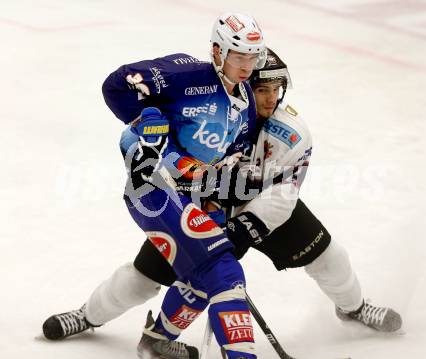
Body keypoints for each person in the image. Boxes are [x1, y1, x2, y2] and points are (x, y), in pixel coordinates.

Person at [135, 48, 402, 357]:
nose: (271, 98)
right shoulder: (210, 112)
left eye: (276, 89)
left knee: (331, 257)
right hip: (210, 200)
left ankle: (354, 308)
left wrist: (246, 226)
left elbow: (285, 191)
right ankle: (101, 320)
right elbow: (175, 161)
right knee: (151, 276)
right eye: (263, 90)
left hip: (266, 205)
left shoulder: (291, 132)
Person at [42, 12, 268, 359]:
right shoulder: (184, 75)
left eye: (253, 57)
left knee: (183, 276)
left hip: (191, 192)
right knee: (222, 268)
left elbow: (232, 153)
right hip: (151, 185)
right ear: (217, 51)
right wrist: (141, 116)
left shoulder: (245, 103)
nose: (247, 66)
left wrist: (214, 199)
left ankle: (148, 339)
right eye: (239, 56)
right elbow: (115, 84)